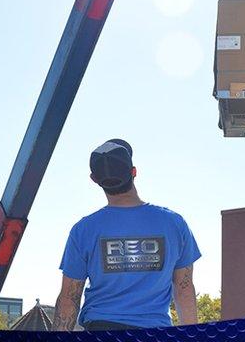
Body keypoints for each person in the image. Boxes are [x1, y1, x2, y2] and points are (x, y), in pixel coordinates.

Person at [52, 139, 201, 331]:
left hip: (101, 329)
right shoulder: (174, 224)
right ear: (134, 172)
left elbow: (69, 298)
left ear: (94, 179)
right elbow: (184, 288)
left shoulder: (83, 230)